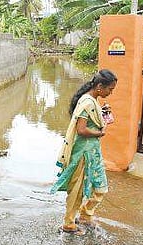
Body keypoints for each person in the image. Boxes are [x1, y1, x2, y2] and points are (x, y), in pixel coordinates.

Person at [50, 69, 118, 235]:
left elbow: (91, 122)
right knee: (77, 190)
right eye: (110, 89)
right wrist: (99, 133)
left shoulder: (92, 100)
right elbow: (81, 130)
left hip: (93, 152)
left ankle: (86, 216)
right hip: (83, 153)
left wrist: (103, 117)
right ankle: (69, 224)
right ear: (100, 86)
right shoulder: (87, 102)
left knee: (100, 188)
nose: (111, 92)